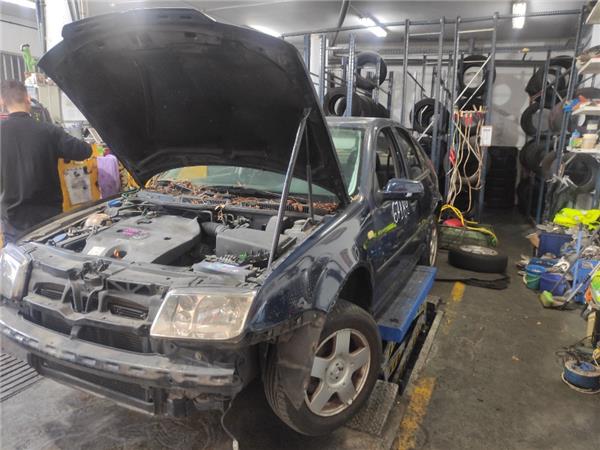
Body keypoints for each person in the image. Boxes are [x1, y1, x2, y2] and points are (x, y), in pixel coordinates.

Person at [0, 80, 92, 244]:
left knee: (17, 258)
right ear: (28, 99)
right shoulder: (49, 131)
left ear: (2, 102)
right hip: (49, 221)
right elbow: (84, 151)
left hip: (13, 221)